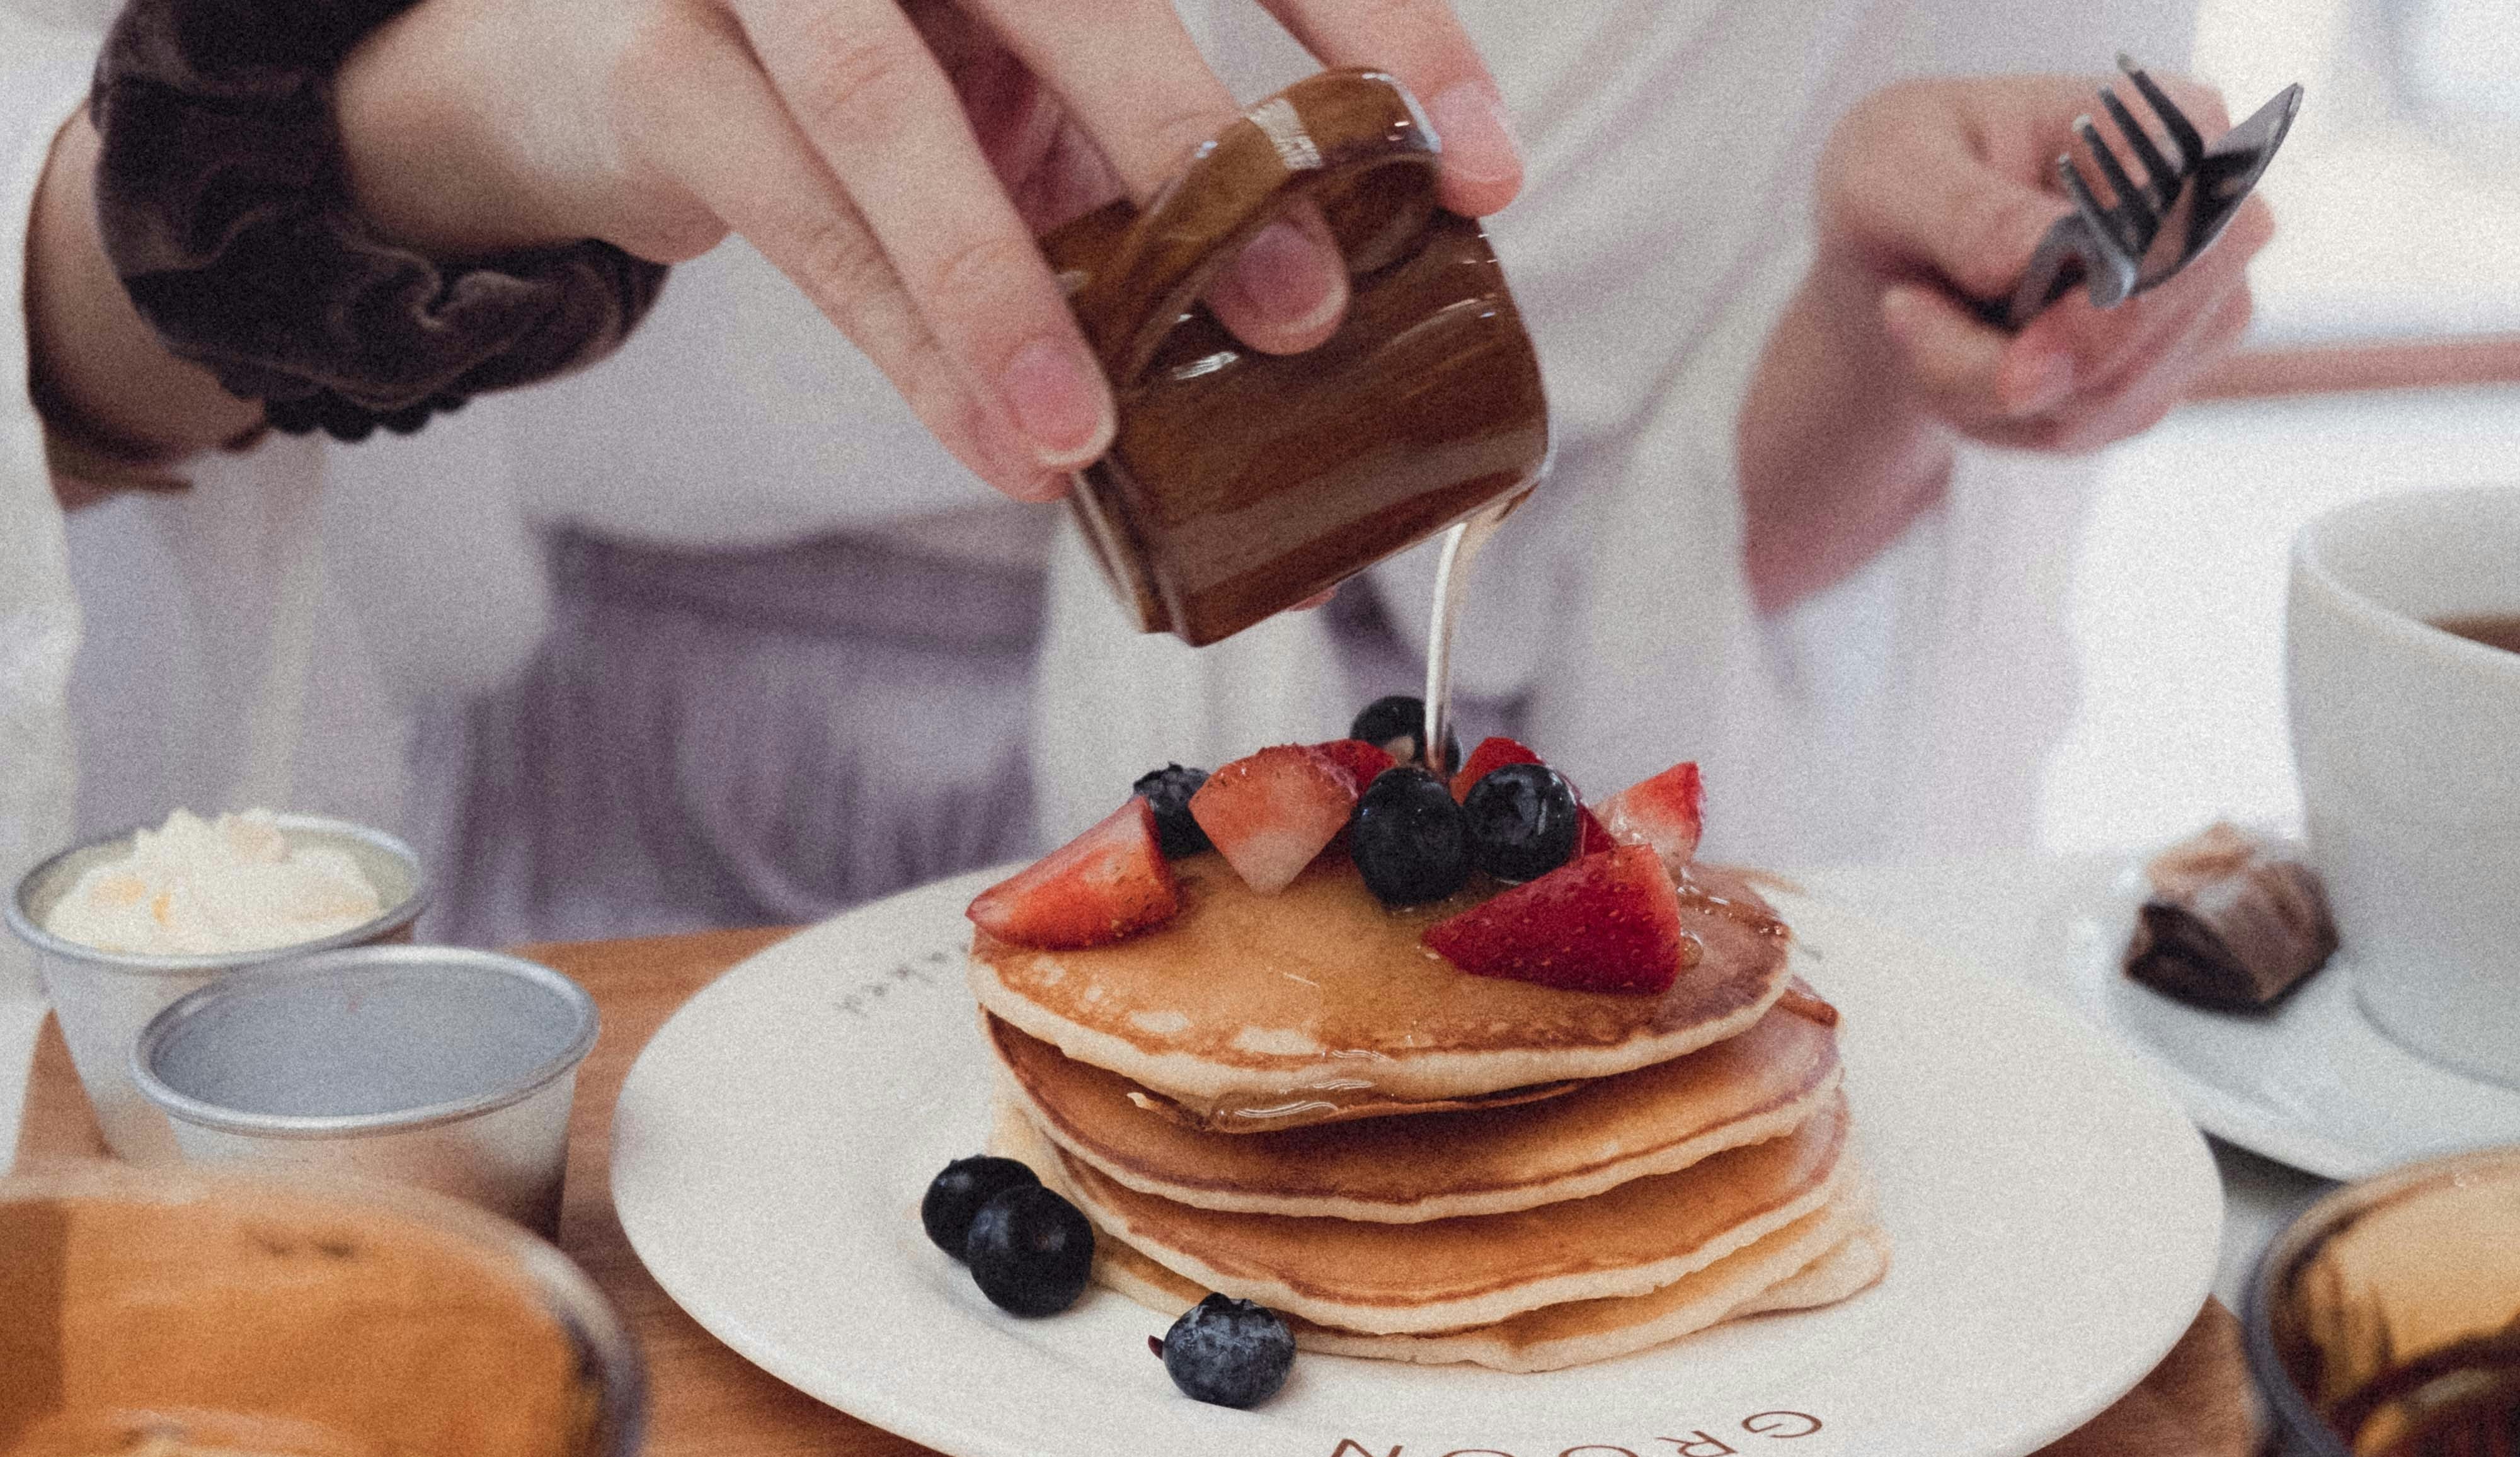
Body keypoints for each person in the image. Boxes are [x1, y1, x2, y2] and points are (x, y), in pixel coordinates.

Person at [1, 1, 2264, 941]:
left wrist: (1897, 328)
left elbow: (1735, 554)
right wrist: (361, 138)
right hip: (624, 901)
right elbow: (76, 379)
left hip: (1474, 882)